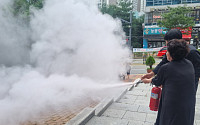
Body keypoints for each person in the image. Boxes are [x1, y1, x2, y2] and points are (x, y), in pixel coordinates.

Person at [142, 39, 196, 125]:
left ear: (171, 55)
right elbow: (177, 80)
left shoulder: (166, 68)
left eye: (167, 51)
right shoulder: (189, 64)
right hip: (187, 103)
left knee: (170, 120)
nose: (166, 53)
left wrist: (147, 80)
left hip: (173, 104)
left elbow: (157, 81)